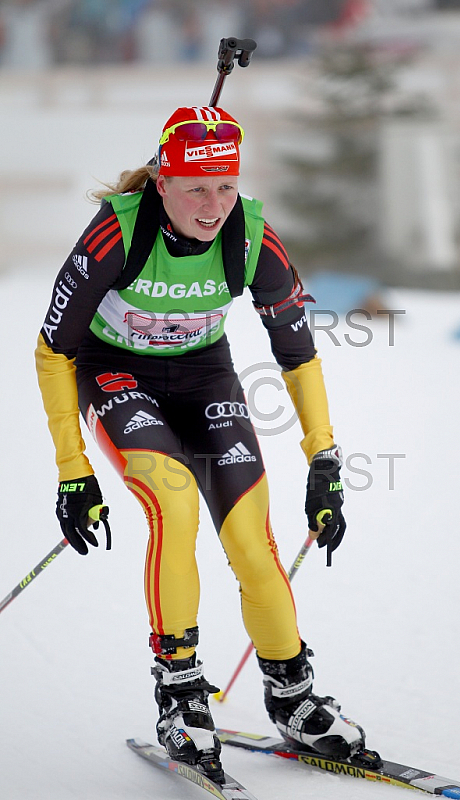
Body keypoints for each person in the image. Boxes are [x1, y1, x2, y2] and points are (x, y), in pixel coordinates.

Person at [35, 105, 373, 780]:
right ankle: (182, 695)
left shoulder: (248, 234)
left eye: (225, 185)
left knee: (251, 535)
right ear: (162, 181)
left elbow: (298, 354)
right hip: (115, 373)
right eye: (195, 187)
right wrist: (74, 471)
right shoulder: (115, 233)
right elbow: (52, 352)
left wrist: (324, 458)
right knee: (174, 502)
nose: (213, 204)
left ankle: (294, 695)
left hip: (203, 376)